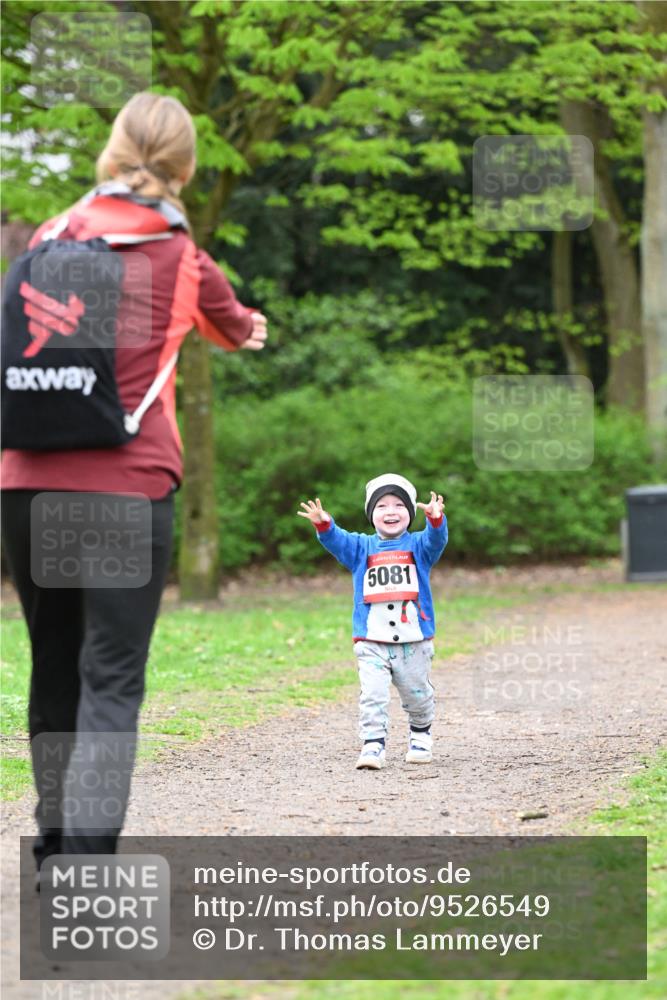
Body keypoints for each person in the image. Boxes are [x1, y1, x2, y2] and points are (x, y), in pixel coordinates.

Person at [0, 91, 268, 867]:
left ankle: (54, 852)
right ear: (185, 167)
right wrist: (252, 327)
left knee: (52, 669)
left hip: (25, 484)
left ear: (111, 154)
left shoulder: (51, 233)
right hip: (125, 489)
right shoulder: (181, 256)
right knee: (110, 679)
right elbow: (232, 328)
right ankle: (85, 863)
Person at [298, 474, 447, 770]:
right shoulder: (360, 548)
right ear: (371, 514)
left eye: (398, 505)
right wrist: (324, 523)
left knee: (418, 695)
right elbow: (336, 540)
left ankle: (420, 735)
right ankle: (373, 744)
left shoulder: (419, 546)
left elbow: (436, 539)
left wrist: (435, 520)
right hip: (371, 640)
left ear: (410, 511)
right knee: (373, 695)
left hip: (413, 640)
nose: (390, 512)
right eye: (381, 506)